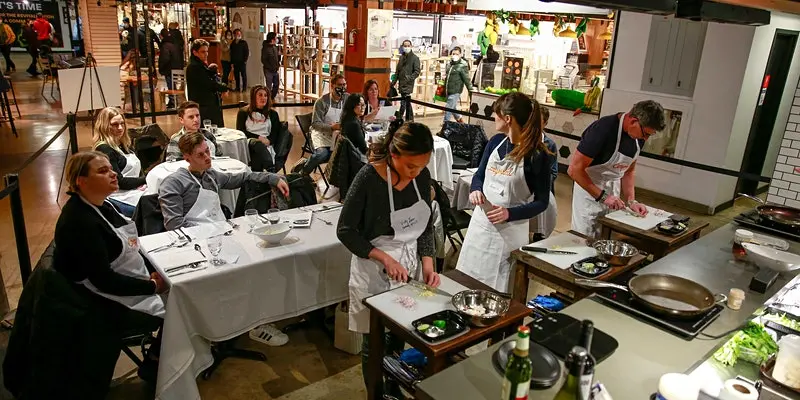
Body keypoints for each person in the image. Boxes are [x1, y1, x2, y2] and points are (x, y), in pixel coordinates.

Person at [337, 122, 440, 398]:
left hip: (408, 266)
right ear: (393, 154)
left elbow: (425, 224)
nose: (416, 172)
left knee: (401, 332)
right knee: (375, 339)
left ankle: (393, 385)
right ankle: (375, 393)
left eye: (421, 166)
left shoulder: (422, 176)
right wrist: (382, 257)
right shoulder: (368, 178)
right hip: (373, 268)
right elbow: (345, 230)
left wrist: (428, 261)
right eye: (410, 166)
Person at [55, 151, 167, 382]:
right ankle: (156, 364)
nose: (113, 174)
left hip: (127, 283)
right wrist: (152, 286)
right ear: (81, 181)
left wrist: (150, 271)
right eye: (102, 171)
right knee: (179, 307)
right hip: (104, 302)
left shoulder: (102, 205)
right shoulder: (80, 222)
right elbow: (103, 280)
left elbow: (129, 249)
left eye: (110, 168)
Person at [456, 93, 554, 292]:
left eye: (496, 114)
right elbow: (480, 175)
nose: (493, 117)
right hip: (480, 227)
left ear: (507, 118)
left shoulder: (538, 155)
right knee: (468, 281)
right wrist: (476, 189)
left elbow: (543, 202)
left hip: (509, 233)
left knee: (498, 289)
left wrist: (510, 213)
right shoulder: (495, 142)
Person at [568, 100, 666, 237]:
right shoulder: (603, 129)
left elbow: (629, 171)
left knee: (606, 235)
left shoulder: (638, 138)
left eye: (650, 135)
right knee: (585, 237)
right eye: (646, 134)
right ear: (633, 121)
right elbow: (574, 170)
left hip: (614, 191)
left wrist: (632, 201)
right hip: (589, 192)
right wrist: (602, 196)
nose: (646, 139)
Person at [159, 132, 289, 230]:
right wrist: (209, 232)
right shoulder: (173, 183)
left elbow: (243, 177)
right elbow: (174, 224)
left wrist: (272, 177)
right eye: (200, 155)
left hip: (220, 231)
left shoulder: (210, 175)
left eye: (207, 151)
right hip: (195, 241)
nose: (207, 157)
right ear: (187, 159)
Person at [92, 107, 146, 217]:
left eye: (122, 123)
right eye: (115, 124)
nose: (120, 128)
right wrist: (147, 179)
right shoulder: (104, 149)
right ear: (104, 126)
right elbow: (120, 182)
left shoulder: (124, 144)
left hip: (134, 190)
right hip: (119, 196)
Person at [301, 74, 349, 174]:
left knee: (347, 152)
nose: (342, 88)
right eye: (340, 85)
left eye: (344, 85)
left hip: (338, 134)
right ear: (332, 86)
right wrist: (331, 127)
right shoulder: (322, 102)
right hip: (320, 134)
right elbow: (315, 124)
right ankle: (302, 173)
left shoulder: (347, 99)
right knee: (322, 154)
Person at [236, 85, 284, 172]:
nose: (263, 98)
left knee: (259, 152)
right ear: (253, 97)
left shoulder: (273, 114)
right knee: (256, 144)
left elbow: (275, 133)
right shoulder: (243, 112)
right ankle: (270, 171)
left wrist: (269, 141)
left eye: (265, 95)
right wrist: (259, 138)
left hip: (266, 145)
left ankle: (260, 178)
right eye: (260, 95)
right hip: (248, 143)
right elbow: (240, 131)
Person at [530, 106, 559, 241]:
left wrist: (541, 183)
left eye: (538, 121)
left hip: (541, 191)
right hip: (524, 191)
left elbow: (553, 171)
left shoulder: (550, 145)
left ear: (545, 123)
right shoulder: (519, 140)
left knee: (540, 225)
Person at [185, 39, 229, 127]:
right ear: (195, 52)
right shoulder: (194, 67)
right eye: (202, 52)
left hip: (208, 105)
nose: (206, 54)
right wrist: (224, 87)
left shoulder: (200, 65)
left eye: (207, 51)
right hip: (204, 106)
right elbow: (209, 84)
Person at [391, 40, 420, 122]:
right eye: (405, 45)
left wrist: (410, 78)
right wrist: (393, 82)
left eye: (408, 45)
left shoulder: (415, 58)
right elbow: (397, 71)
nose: (406, 47)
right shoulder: (401, 57)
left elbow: (417, 71)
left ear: (411, 46)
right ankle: (409, 119)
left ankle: (400, 118)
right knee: (406, 102)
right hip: (401, 82)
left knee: (404, 102)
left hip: (408, 84)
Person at [443, 47, 472, 123]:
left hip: (456, 91)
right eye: (453, 54)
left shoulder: (462, 66)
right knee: (453, 108)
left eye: (457, 54)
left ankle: (445, 126)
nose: (455, 55)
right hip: (448, 90)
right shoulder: (450, 64)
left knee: (448, 108)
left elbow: (467, 80)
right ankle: (461, 122)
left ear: (460, 55)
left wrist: (471, 91)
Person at [158, 29, 184, 109]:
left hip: (169, 69)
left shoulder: (165, 45)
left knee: (171, 86)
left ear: (162, 36)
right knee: (173, 85)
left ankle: (173, 102)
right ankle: (173, 102)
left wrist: (161, 67)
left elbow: (165, 58)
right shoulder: (174, 43)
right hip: (177, 67)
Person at [261, 32, 280, 99]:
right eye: (276, 38)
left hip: (275, 70)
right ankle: (268, 98)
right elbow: (263, 60)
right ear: (272, 39)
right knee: (269, 86)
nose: (277, 39)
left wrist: (278, 65)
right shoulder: (265, 48)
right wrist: (269, 67)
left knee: (276, 84)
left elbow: (277, 57)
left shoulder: (275, 47)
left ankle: (272, 97)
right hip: (268, 70)